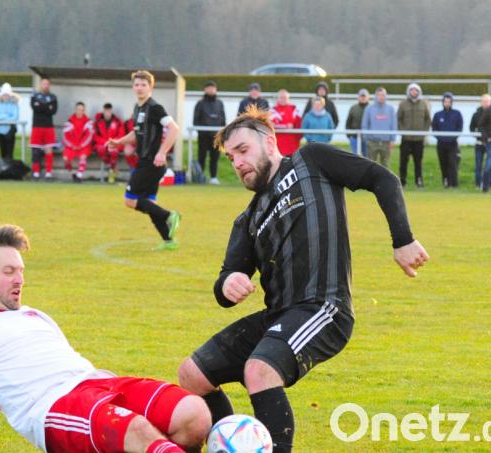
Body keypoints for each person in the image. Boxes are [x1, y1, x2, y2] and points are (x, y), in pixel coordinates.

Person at [177, 106, 429, 453]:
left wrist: (402, 239)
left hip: (324, 306)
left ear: (269, 142)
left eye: (242, 150)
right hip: (278, 314)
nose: (236, 162)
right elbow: (225, 281)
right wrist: (228, 282)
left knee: (260, 370)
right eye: (231, 157)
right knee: (192, 374)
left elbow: (382, 178)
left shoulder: (311, 161)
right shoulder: (248, 219)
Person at [0, 225, 211, 453]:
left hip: (99, 385)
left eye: (22, 270)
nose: (20, 279)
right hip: (52, 407)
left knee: (194, 414)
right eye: (9, 271)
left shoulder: (34, 315)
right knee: (136, 431)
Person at [107, 71, 182, 251]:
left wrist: (162, 152)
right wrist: (119, 142)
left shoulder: (155, 108)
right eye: (137, 84)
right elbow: (136, 133)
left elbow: (174, 128)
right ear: (133, 87)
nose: (140, 88)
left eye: (143, 85)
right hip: (147, 162)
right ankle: (169, 240)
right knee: (149, 203)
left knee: (130, 200)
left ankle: (169, 215)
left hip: (151, 163)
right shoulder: (138, 107)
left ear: (151, 87)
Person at [396, 83, 431, 188]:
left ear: (418, 92)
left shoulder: (424, 104)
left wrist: (423, 132)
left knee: (418, 162)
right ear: (409, 91)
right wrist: (403, 131)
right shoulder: (403, 104)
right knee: (403, 162)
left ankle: (419, 181)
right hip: (406, 139)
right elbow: (398, 119)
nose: (414, 92)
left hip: (419, 140)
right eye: (412, 90)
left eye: (416, 90)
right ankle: (402, 182)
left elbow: (428, 119)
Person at [193, 80, 227, 184]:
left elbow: (223, 119)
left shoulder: (219, 103)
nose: (211, 90)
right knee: (201, 157)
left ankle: (213, 177)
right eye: (208, 88)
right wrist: (201, 131)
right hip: (203, 136)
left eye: (213, 88)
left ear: (216, 90)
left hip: (216, 137)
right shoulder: (200, 103)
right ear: (205, 89)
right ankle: (200, 177)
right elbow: (195, 120)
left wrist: (221, 134)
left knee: (214, 157)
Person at [431, 92, 463, 188]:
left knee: (453, 163)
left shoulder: (457, 114)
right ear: (443, 102)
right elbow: (434, 128)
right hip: (441, 144)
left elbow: (459, 127)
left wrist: (452, 137)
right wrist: (441, 138)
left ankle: (454, 184)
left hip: (452, 143)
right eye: (445, 101)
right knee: (443, 163)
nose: (447, 103)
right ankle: (446, 182)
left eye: (449, 101)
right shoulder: (438, 115)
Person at [30, 77, 58, 180]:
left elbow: (53, 111)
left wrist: (41, 106)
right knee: (36, 151)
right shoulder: (34, 96)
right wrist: (47, 107)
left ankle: (48, 173)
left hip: (48, 127)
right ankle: (36, 173)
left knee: (49, 150)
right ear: (40, 85)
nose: (45, 86)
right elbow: (35, 108)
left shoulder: (53, 97)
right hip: (37, 126)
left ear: (49, 85)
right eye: (43, 84)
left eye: (47, 84)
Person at [361, 87, 397, 167]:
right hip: (372, 142)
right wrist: (366, 139)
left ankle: (384, 180)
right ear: (376, 96)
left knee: (385, 166)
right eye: (379, 95)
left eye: (383, 95)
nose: (381, 97)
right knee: (370, 165)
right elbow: (364, 125)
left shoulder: (391, 109)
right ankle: (371, 180)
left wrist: (392, 140)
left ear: (386, 96)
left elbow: (394, 125)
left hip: (386, 142)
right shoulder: (369, 109)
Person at [94, 103, 126, 183]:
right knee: (101, 149)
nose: (107, 113)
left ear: (111, 111)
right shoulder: (98, 122)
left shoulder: (118, 121)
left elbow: (121, 135)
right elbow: (95, 136)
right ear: (103, 111)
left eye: (109, 111)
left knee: (114, 151)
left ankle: (111, 172)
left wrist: (112, 142)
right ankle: (112, 168)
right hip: (102, 144)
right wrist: (105, 142)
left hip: (115, 144)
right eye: (106, 111)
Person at [62, 101, 94, 182]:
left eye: (82, 110)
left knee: (83, 157)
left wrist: (81, 145)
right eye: (78, 109)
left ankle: (79, 176)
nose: (80, 111)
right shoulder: (69, 121)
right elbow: (65, 137)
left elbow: (89, 136)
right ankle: (73, 173)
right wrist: (71, 145)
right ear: (75, 110)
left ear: (84, 111)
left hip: (83, 145)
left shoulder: (88, 121)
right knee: (65, 158)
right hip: (72, 145)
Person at [269, 89, 302, 156]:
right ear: (278, 98)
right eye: (281, 97)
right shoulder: (273, 110)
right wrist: (286, 126)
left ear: (288, 98)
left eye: (285, 97)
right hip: (278, 147)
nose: (283, 99)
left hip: (293, 146)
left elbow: (299, 125)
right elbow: (272, 125)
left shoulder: (294, 109)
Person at [469, 94, 491, 190]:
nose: (485, 103)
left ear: (490, 102)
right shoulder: (476, 114)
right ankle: (478, 184)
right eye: (484, 101)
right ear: (481, 102)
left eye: (487, 101)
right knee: (478, 165)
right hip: (479, 143)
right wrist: (477, 135)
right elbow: (471, 128)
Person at [0, 82, 19, 161]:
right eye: (4, 94)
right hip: (0, 131)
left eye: (7, 94)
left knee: (10, 152)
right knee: (2, 152)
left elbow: (15, 117)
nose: (5, 96)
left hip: (10, 130)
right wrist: (7, 116)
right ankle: (3, 169)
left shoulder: (14, 104)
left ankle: (9, 170)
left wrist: (3, 117)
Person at [346, 88, 370, 157]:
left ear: (368, 97)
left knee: (367, 159)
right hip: (354, 138)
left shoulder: (371, 108)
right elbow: (348, 122)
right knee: (355, 158)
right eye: (361, 96)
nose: (363, 98)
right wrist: (349, 135)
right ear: (358, 97)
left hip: (367, 139)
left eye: (364, 96)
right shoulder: (353, 108)